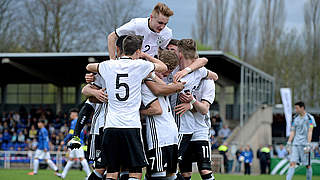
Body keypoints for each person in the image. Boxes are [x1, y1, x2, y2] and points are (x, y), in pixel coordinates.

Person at [86, 35, 167, 180]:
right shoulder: (140, 66)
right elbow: (164, 67)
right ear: (137, 51)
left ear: (121, 49)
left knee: (112, 170)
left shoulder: (108, 66)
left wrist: (104, 66)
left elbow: (89, 67)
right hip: (131, 125)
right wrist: (145, 56)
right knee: (135, 171)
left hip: (110, 126)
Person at [141, 50, 184, 179]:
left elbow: (156, 110)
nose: (167, 74)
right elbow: (163, 88)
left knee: (157, 175)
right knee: (170, 174)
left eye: (170, 71)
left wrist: (138, 112)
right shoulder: (156, 81)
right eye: (166, 70)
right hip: (170, 134)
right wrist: (177, 87)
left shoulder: (150, 81)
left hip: (159, 135)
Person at [175, 78, 216, 180]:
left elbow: (204, 109)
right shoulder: (179, 77)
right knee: (185, 173)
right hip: (183, 131)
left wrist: (192, 102)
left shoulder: (207, 81)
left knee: (205, 170)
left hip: (200, 131)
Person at [108, 2, 174, 59]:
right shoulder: (137, 24)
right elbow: (111, 37)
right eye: (160, 23)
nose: (162, 27)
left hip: (148, 66)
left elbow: (161, 52)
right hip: (130, 63)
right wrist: (112, 62)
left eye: (165, 24)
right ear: (151, 17)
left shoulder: (167, 33)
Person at [57, 108, 91, 179]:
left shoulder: (74, 121)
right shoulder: (79, 121)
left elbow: (71, 132)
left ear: (74, 114)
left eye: (71, 114)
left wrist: (64, 140)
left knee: (82, 158)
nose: (70, 115)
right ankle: (63, 175)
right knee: (71, 159)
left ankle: (89, 175)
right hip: (77, 141)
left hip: (77, 142)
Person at [286, 101, 316, 180]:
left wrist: (308, 144)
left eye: (297, 108)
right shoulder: (294, 118)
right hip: (296, 144)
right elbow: (293, 131)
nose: (295, 110)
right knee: (292, 163)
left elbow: (310, 131)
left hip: (305, 145)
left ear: (302, 108)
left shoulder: (310, 118)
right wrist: (289, 143)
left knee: (308, 165)